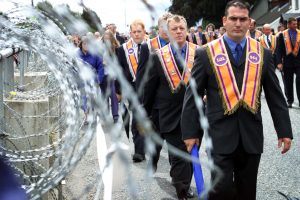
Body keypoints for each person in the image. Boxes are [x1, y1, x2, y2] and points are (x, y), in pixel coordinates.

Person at [181, 1, 293, 200]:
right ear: (224, 21)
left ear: (250, 22)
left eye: (243, 19)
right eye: (233, 18)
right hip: (219, 135)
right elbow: (193, 96)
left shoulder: (263, 54)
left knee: (247, 191)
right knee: (221, 190)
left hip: (251, 136)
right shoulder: (206, 53)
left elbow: (276, 97)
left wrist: (284, 131)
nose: (238, 23)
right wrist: (191, 132)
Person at [142, 15, 198, 200]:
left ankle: (184, 183)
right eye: (174, 29)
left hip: (194, 113)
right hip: (168, 113)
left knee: (190, 151)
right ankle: (181, 188)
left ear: (187, 29)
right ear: (168, 32)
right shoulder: (158, 57)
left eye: (182, 28)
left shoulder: (199, 53)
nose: (179, 32)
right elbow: (149, 87)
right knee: (178, 153)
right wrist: (146, 112)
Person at [139, 12, 173, 172]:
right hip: (155, 99)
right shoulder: (148, 46)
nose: (166, 30)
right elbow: (142, 74)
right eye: (163, 27)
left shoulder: (181, 44)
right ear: (158, 28)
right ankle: (152, 160)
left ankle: (180, 179)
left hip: (175, 101)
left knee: (176, 141)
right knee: (157, 137)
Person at [116, 19, 147, 162]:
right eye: (134, 32)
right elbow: (118, 71)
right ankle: (139, 151)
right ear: (130, 33)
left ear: (144, 32)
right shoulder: (122, 49)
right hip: (133, 88)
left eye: (139, 31)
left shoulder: (151, 46)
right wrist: (118, 91)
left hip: (150, 88)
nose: (136, 34)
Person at [78, 36, 104, 122]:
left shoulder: (95, 54)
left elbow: (100, 67)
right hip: (82, 81)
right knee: (83, 99)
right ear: (81, 44)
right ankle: (86, 114)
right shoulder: (77, 54)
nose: (86, 45)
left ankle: (95, 114)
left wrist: (99, 79)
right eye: (84, 44)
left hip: (93, 81)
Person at [276, 17, 300, 108]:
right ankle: (290, 100)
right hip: (287, 62)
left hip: (299, 62)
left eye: (296, 24)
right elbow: (278, 50)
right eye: (294, 24)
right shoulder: (282, 35)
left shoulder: (299, 34)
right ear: (289, 24)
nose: (296, 25)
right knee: (288, 82)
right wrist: (279, 62)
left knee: (299, 80)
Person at [100, 30, 120, 123]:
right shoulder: (100, 48)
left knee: (113, 95)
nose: (107, 39)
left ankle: (115, 115)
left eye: (108, 38)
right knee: (104, 95)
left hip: (112, 75)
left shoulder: (116, 48)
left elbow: (118, 62)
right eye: (105, 37)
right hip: (102, 75)